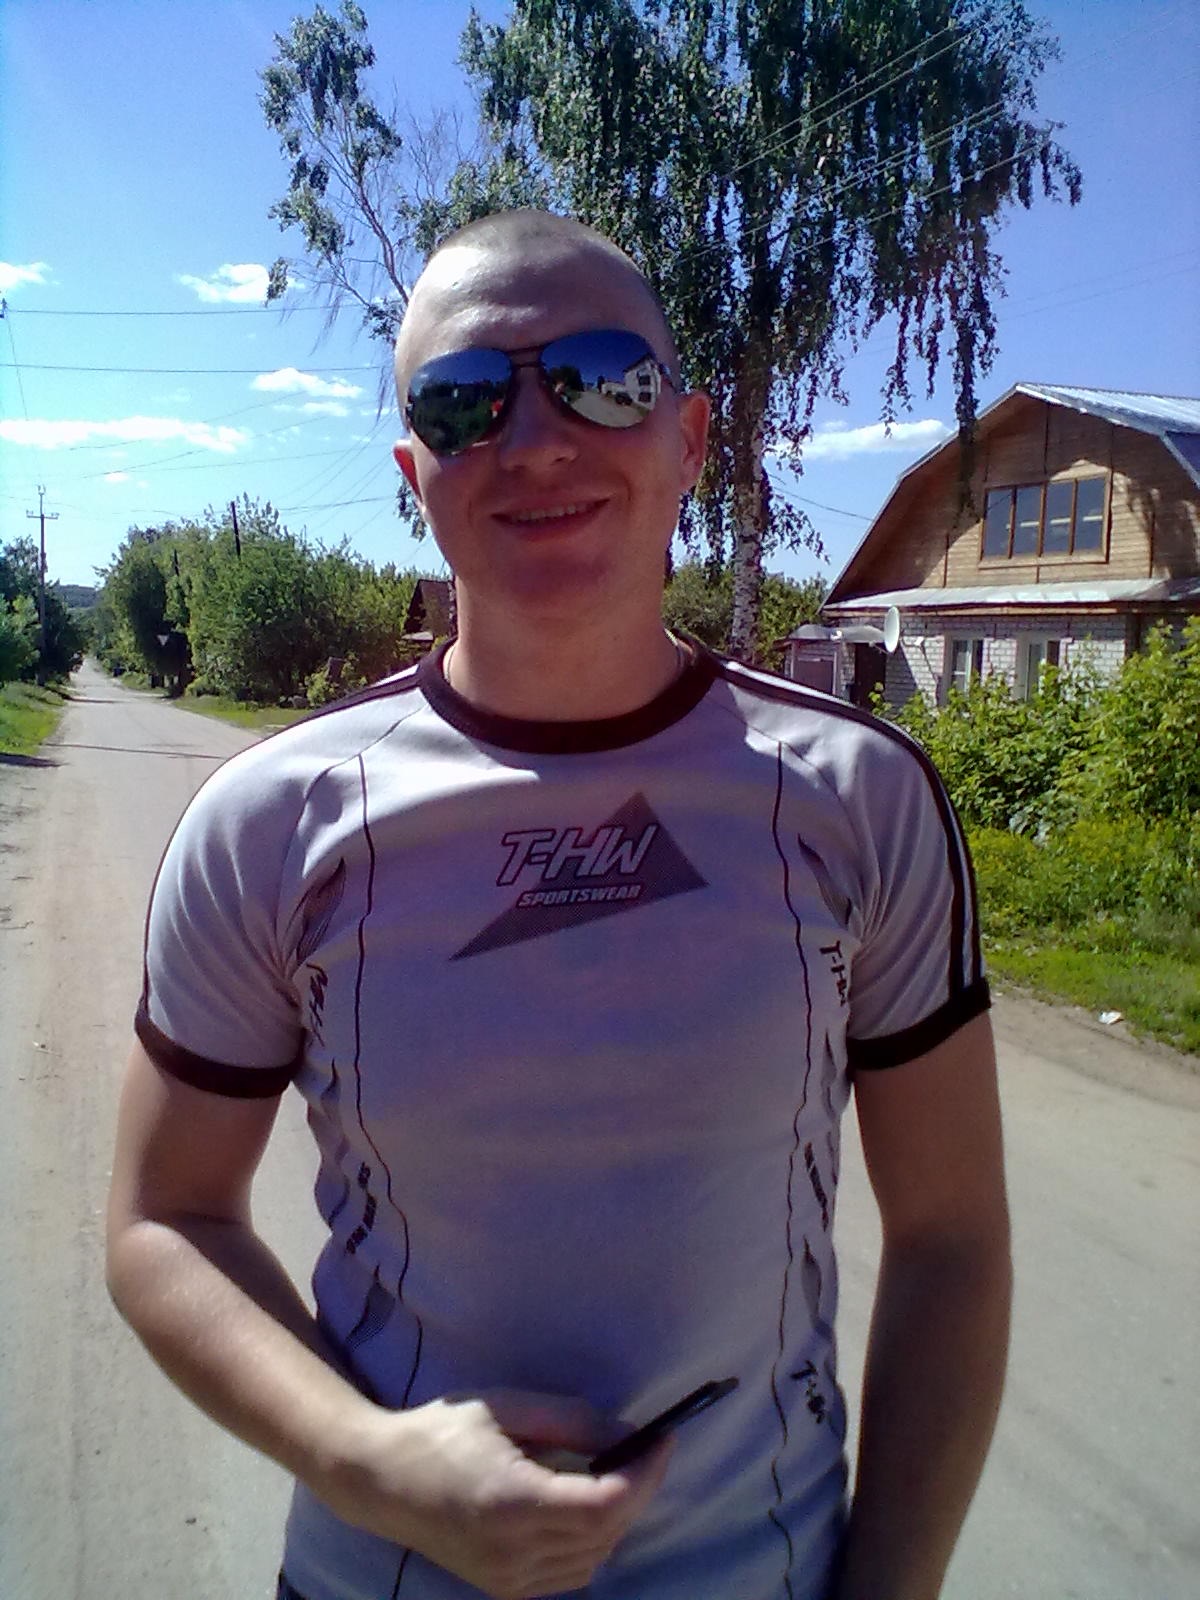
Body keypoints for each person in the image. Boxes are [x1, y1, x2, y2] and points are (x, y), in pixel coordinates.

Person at [107, 209, 1011, 1600]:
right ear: (415, 472)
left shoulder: (860, 799)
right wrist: (365, 1461)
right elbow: (163, 1218)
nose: (534, 439)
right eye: (465, 402)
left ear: (690, 439)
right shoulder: (271, 821)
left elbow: (950, 1237)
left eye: (603, 379)